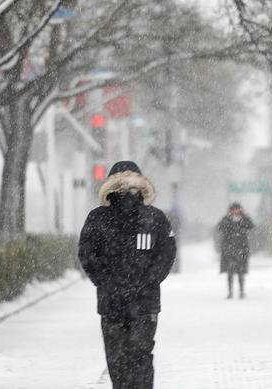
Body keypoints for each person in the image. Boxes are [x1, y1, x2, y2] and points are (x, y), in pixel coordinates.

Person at [78, 161, 177, 389]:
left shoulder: (151, 218)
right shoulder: (102, 218)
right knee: (138, 357)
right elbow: (87, 254)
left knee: (121, 359)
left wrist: (108, 281)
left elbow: (167, 251)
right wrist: (146, 280)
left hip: (123, 303)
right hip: (136, 302)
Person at [217, 202, 255, 299]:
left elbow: (251, 226)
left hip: (242, 249)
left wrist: (244, 218)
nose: (235, 211)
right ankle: (230, 292)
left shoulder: (244, 219)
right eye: (233, 209)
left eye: (237, 209)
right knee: (230, 272)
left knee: (241, 272)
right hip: (229, 250)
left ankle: (242, 291)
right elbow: (219, 227)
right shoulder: (226, 220)